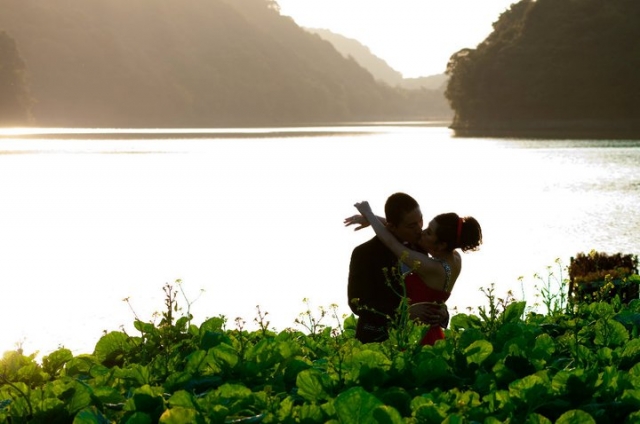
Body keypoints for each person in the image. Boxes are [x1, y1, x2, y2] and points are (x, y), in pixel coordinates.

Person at [353, 200, 483, 345]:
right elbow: (358, 303)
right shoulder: (454, 258)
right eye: (416, 224)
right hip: (389, 334)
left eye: (429, 232)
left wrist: (369, 214)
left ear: (440, 245)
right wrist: (379, 220)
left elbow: (391, 243)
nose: (421, 231)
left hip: (417, 337)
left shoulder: (429, 265)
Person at [346, 192, 448, 343]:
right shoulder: (364, 253)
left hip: (418, 341)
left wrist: (442, 313)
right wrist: (404, 313)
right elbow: (358, 303)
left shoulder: (422, 248)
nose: (419, 229)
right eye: (412, 226)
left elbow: (430, 291)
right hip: (377, 341)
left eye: (420, 221)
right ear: (392, 226)